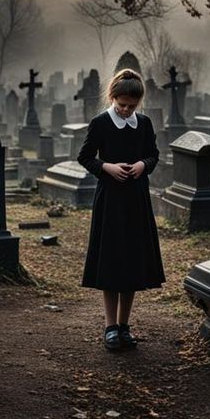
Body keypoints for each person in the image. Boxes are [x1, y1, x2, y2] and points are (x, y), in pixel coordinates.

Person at [77, 69, 165, 351]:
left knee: (132, 263)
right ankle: (110, 326)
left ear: (138, 102)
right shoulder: (101, 123)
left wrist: (143, 165)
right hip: (111, 200)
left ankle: (125, 325)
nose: (126, 110)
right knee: (112, 261)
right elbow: (85, 157)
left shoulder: (145, 123)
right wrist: (107, 168)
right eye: (121, 105)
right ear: (112, 97)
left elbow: (153, 155)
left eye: (131, 106)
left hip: (136, 199)